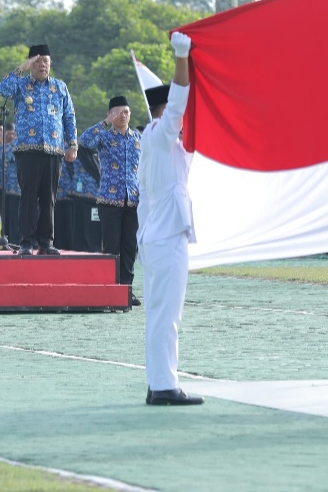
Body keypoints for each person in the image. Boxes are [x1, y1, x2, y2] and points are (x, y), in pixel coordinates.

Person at [138, 31, 203, 406]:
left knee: (160, 314)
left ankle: (158, 382)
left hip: (157, 237)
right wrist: (182, 55)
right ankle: (163, 386)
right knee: (167, 316)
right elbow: (179, 103)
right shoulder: (161, 136)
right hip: (165, 239)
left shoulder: (160, 143)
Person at [0, 44, 79, 255]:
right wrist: (22, 67)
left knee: (49, 198)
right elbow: (2, 89)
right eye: (38, 61)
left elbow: (69, 116)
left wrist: (72, 144)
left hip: (53, 150)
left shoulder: (60, 87)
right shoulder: (21, 85)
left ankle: (46, 242)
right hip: (27, 150)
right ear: (32, 63)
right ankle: (26, 242)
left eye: (46, 62)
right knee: (28, 198)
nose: (42, 65)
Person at [81, 96, 142, 305]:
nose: (122, 116)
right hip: (109, 199)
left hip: (133, 199)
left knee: (129, 247)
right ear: (110, 114)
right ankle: (111, 290)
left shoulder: (138, 139)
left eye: (126, 112)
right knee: (111, 247)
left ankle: (126, 289)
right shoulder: (104, 137)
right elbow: (84, 141)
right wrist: (105, 122)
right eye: (118, 112)